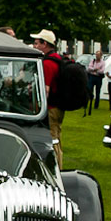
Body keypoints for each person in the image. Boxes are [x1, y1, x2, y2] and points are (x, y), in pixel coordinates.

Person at [30, 28, 64, 167]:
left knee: (53, 139)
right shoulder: (57, 59)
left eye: (37, 43)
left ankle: (56, 169)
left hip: (51, 108)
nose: (34, 46)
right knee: (56, 135)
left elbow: (45, 90)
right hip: (57, 106)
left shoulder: (48, 64)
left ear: (45, 44)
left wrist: (38, 108)